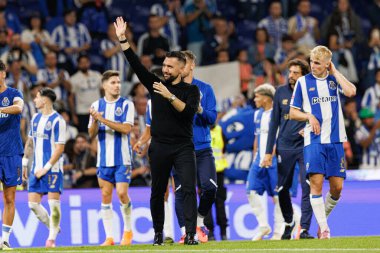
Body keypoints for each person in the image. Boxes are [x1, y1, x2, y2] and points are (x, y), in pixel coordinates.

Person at [114, 16, 200, 245]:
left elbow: (188, 113)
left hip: (183, 146)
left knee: (189, 189)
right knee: (157, 191)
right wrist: (123, 40)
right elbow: (136, 65)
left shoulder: (191, 91)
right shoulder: (155, 85)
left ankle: (190, 233)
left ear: (182, 69)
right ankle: (158, 234)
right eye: (164, 66)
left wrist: (169, 95)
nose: (165, 69)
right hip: (160, 146)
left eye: (170, 66)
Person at [289, 45, 356, 239]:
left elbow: (351, 92)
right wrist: (309, 116)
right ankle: (325, 230)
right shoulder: (303, 82)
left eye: (317, 63)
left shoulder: (334, 80)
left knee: (337, 188)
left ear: (327, 64)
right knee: (316, 184)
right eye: (311, 61)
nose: (312, 65)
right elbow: (293, 112)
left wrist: (335, 72)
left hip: (335, 140)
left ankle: (321, 221)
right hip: (314, 140)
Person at [262, 59, 314, 240]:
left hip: (305, 146)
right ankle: (289, 221)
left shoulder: (311, 91)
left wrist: (307, 126)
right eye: (290, 72)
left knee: (307, 186)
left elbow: (320, 116)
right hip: (284, 147)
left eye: (295, 73)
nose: (291, 76)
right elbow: (274, 122)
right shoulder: (280, 92)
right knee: (282, 189)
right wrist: (268, 152)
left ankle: (304, 229)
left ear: (304, 75)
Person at [171, 50, 217, 244]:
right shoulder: (171, 89)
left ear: (191, 66)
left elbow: (212, 119)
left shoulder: (205, 89)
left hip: (203, 147)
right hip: (180, 149)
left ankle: (199, 221)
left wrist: (199, 109)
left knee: (210, 187)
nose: (181, 66)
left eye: (184, 63)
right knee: (182, 191)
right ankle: (184, 232)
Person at [88, 70, 134, 246]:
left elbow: (126, 129)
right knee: (106, 196)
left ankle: (128, 231)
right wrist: (94, 121)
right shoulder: (96, 105)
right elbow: (91, 134)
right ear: (104, 85)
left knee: (122, 193)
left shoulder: (127, 104)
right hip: (104, 159)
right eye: (113, 82)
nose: (117, 86)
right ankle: (109, 237)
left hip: (122, 158)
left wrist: (102, 119)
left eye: (119, 82)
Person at [22, 87, 66, 248]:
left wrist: (46, 168)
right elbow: (30, 142)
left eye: (37, 97)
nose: (34, 100)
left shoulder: (58, 121)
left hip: (52, 169)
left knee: (54, 204)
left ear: (45, 99)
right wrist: (25, 163)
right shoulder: (34, 118)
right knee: (32, 204)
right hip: (36, 168)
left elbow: (60, 149)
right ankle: (53, 227)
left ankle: (51, 239)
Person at [246, 83, 284, 241]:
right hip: (258, 160)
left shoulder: (279, 114)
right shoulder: (257, 115)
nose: (254, 99)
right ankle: (263, 225)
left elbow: (280, 138)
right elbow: (257, 137)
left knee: (277, 197)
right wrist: (256, 156)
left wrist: (270, 156)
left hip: (275, 161)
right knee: (251, 191)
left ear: (267, 98)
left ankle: (278, 231)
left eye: (257, 96)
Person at [0, 60, 24, 250]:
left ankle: (5, 239)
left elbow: (19, 108)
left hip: (11, 152)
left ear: (3, 73)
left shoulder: (14, 94)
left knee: (9, 198)